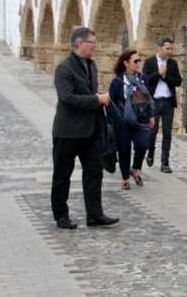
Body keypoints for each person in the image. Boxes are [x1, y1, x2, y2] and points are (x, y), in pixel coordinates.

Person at [51, 26, 119, 230]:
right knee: (62, 174)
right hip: (68, 131)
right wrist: (96, 99)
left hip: (90, 131)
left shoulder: (91, 65)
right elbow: (67, 97)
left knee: (93, 172)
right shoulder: (64, 68)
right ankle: (61, 215)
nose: (95, 47)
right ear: (79, 43)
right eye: (92, 43)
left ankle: (95, 215)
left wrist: (97, 97)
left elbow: (88, 92)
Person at [109, 49, 154, 190]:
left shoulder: (142, 79)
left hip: (141, 119)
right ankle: (125, 177)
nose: (138, 63)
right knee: (124, 149)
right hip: (122, 120)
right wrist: (115, 119)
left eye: (139, 60)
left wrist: (151, 115)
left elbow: (149, 99)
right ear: (126, 63)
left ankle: (135, 168)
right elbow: (112, 101)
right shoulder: (117, 81)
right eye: (135, 61)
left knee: (142, 145)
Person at [142, 36, 183, 173]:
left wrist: (165, 77)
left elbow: (178, 81)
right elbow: (145, 80)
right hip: (153, 102)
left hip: (167, 102)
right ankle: (150, 152)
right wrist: (158, 74)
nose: (170, 51)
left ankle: (165, 163)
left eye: (171, 48)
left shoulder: (172, 64)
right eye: (167, 48)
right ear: (160, 48)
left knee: (167, 133)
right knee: (152, 131)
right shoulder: (149, 62)